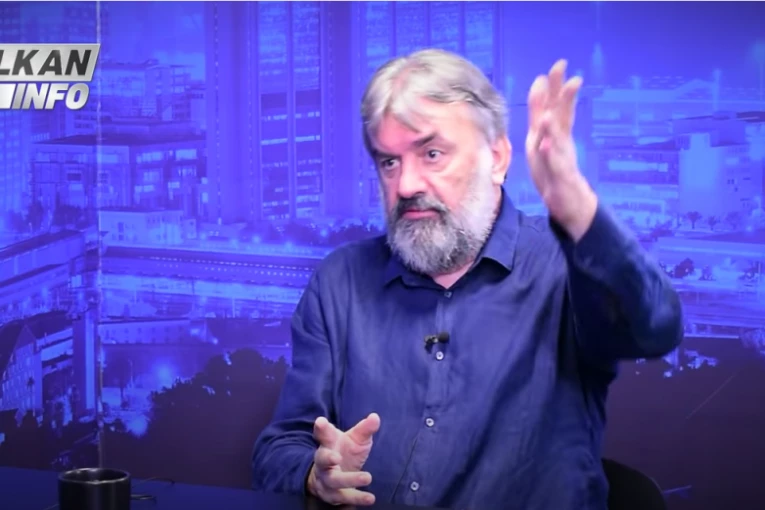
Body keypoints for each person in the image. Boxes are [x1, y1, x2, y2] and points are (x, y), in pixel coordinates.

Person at [251, 49, 683, 510]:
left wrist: (574, 203)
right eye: (389, 162)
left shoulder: (565, 268)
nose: (406, 185)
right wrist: (316, 475)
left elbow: (655, 329)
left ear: (496, 158)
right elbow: (278, 450)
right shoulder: (340, 282)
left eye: (432, 154)